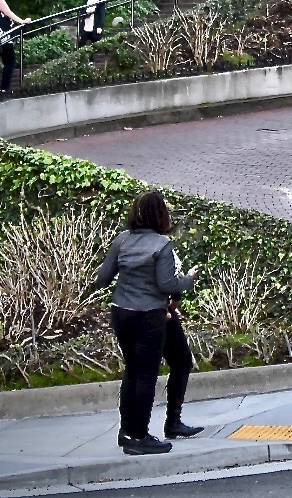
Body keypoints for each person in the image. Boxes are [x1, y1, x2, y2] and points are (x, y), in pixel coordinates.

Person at [90, 191, 200, 456]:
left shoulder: (122, 240)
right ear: (160, 214)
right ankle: (137, 436)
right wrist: (188, 279)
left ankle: (132, 431)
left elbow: (102, 278)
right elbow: (168, 284)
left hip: (122, 312)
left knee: (136, 370)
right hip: (150, 315)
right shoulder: (162, 244)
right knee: (145, 375)